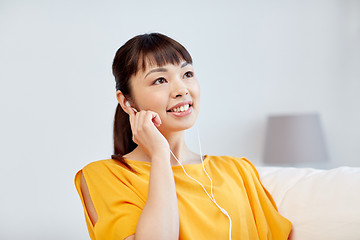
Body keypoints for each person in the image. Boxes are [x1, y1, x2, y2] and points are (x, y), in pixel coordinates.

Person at [74, 33, 292, 240]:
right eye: (160, 80)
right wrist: (160, 154)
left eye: (187, 74)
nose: (181, 90)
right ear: (126, 102)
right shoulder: (106, 176)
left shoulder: (238, 170)